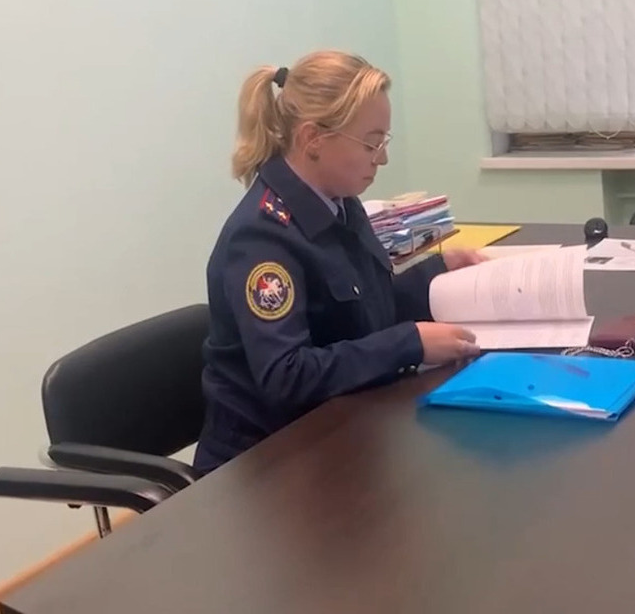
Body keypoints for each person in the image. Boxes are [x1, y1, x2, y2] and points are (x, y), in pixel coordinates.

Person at [194, 51, 484, 473]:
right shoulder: (262, 238)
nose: (381, 158)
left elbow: (361, 308)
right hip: (265, 463)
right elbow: (286, 375)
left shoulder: (339, 201)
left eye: (383, 141)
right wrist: (409, 342)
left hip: (335, 430)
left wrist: (435, 273)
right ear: (313, 138)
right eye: (371, 142)